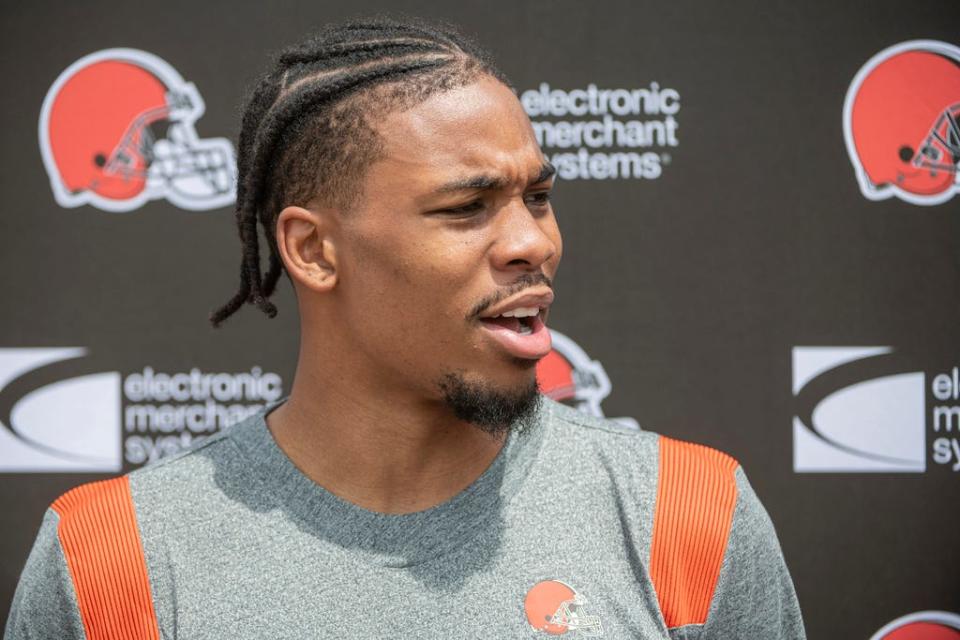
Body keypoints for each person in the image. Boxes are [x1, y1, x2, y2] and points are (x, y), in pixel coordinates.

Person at [5, 16, 805, 639]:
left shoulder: (693, 517)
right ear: (314, 250)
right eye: (467, 207)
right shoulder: (110, 563)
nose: (534, 243)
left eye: (537, 196)